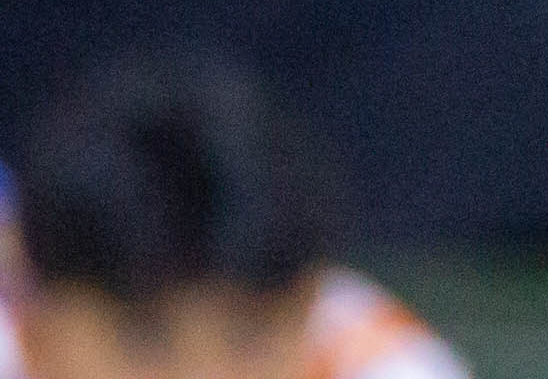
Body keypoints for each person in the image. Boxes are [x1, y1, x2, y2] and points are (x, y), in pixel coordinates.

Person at [0, 57, 465, 379]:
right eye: (146, 337)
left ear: (308, 312)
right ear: (38, 331)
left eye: (248, 335)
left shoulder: (391, 367)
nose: (205, 375)